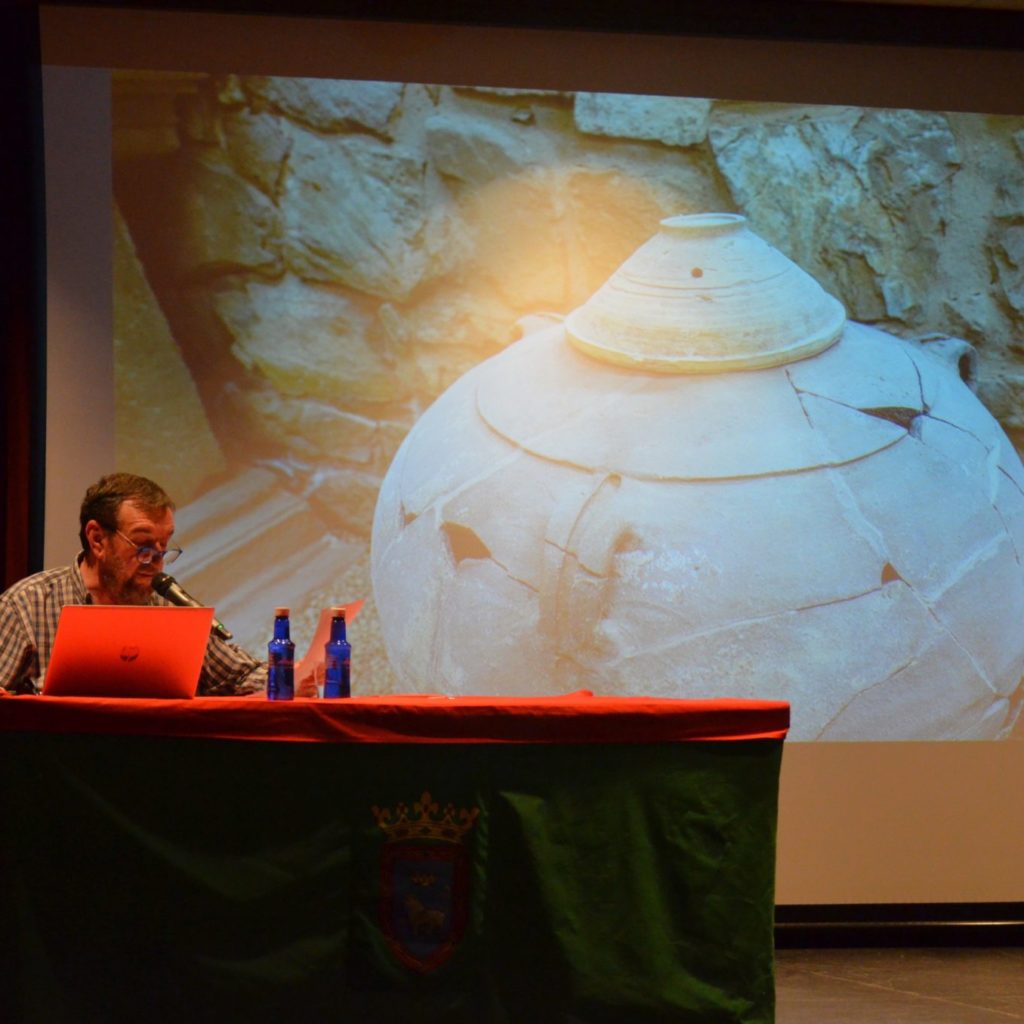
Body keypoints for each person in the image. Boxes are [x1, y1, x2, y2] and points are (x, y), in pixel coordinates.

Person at [0, 472, 266, 695]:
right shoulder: (27, 605)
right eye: (143, 545)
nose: (156, 560)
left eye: (163, 546)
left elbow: (245, 676)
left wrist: (296, 673)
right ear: (97, 540)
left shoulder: (169, 607)